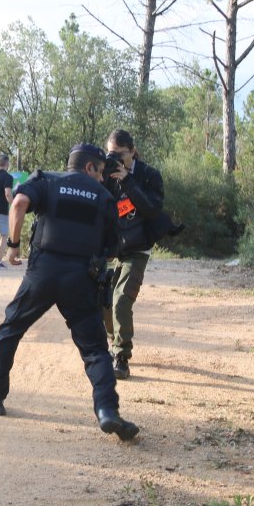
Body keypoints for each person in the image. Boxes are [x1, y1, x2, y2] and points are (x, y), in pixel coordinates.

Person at [0, 143, 139, 442]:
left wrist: (13, 246)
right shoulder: (105, 197)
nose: (103, 178)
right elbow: (113, 248)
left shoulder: (46, 180)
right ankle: (107, 411)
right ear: (89, 168)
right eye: (101, 172)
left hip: (43, 272)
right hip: (81, 278)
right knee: (94, 349)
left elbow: (17, 204)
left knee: (11, 329)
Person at [101, 129, 173, 380]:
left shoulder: (148, 175)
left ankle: (121, 357)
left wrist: (127, 181)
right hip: (112, 249)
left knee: (122, 300)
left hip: (138, 248)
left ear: (132, 151)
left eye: (120, 154)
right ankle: (113, 341)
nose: (116, 159)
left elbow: (152, 209)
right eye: (111, 154)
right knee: (104, 301)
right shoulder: (106, 174)